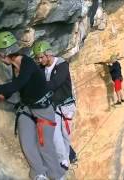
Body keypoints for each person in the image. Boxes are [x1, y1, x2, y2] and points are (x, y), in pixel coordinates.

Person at [0, 32, 66, 180]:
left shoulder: (27, 63)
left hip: (44, 110)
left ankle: (56, 176)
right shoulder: (15, 66)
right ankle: (39, 173)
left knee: (45, 146)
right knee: (27, 143)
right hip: (26, 108)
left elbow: (18, 83)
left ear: (3, 53)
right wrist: (4, 95)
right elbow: (18, 85)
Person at [32, 40, 78, 170]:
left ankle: (67, 158)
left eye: (41, 57)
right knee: (54, 133)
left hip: (66, 106)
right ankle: (63, 159)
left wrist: (39, 88)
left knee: (65, 134)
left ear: (49, 54)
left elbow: (55, 83)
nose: (40, 60)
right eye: (38, 58)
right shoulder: (41, 68)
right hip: (53, 106)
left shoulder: (62, 65)